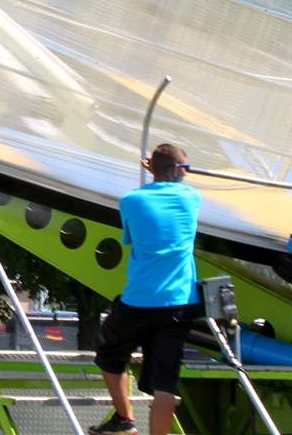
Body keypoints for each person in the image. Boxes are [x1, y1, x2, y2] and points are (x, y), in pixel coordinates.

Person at [89, 143, 203, 435]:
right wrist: (163, 169)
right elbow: (177, 182)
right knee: (166, 382)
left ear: (151, 167)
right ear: (179, 170)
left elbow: (129, 239)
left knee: (110, 354)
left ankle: (125, 419)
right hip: (180, 302)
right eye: (186, 170)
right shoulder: (191, 197)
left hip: (140, 300)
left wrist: (152, 170)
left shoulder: (131, 201)